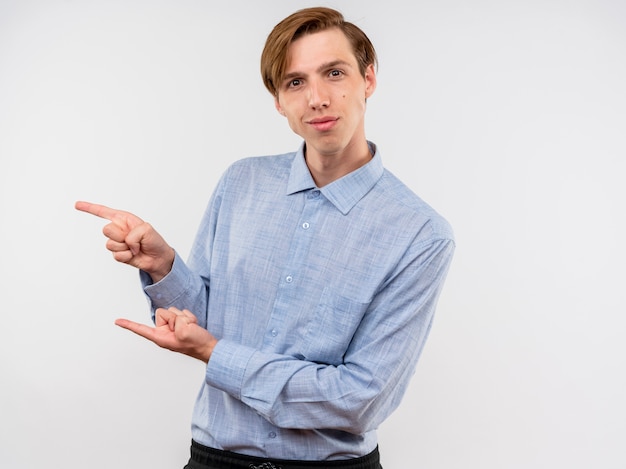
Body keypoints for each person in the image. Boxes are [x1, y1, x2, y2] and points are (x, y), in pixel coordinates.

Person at [76, 6, 454, 469]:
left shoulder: (419, 233)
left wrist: (215, 355)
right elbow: (204, 320)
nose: (317, 98)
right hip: (213, 459)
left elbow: (361, 399)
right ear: (278, 100)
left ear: (368, 80)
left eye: (334, 73)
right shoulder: (241, 182)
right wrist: (163, 265)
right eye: (295, 82)